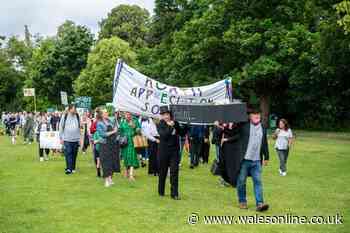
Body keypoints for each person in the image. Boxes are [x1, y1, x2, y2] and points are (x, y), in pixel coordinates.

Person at [236, 109, 269, 212]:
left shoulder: (263, 127)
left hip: (257, 161)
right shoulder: (244, 126)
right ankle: (242, 201)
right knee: (241, 181)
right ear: (250, 116)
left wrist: (266, 157)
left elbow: (264, 142)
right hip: (244, 160)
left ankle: (260, 203)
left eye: (258, 114)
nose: (257, 116)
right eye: (254, 114)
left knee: (258, 181)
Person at [157, 106, 188, 200]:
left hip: (174, 151)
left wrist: (186, 126)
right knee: (163, 172)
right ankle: (161, 191)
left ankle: (174, 194)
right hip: (163, 151)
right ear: (161, 116)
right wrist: (170, 126)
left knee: (174, 172)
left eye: (167, 114)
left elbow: (182, 133)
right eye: (164, 115)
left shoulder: (175, 122)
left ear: (170, 114)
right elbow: (164, 135)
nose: (166, 116)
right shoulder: (160, 124)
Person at [96, 109, 120, 187]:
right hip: (104, 145)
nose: (107, 113)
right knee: (105, 162)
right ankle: (106, 180)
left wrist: (116, 128)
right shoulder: (99, 123)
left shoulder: (110, 121)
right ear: (101, 114)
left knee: (112, 162)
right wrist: (113, 131)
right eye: (105, 112)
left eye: (107, 112)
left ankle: (110, 179)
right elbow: (102, 134)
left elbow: (116, 127)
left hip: (112, 144)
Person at [59, 105, 81, 175]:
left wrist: (80, 138)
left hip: (76, 139)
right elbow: (61, 127)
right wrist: (61, 138)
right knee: (68, 153)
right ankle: (69, 168)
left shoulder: (77, 116)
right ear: (69, 110)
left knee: (74, 154)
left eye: (75, 109)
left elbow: (79, 127)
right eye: (73, 109)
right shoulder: (64, 116)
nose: (75, 111)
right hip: (67, 139)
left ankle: (73, 167)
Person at [119, 112, 140, 181]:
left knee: (132, 157)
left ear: (131, 115)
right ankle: (126, 172)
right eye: (126, 114)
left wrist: (134, 126)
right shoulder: (122, 122)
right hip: (125, 142)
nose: (128, 116)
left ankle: (131, 174)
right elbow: (120, 131)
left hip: (132, 141)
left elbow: (139, 131)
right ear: (124, 115)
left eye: (129, 114)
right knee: (126, 157)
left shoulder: (135, 121)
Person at [219, 122, 241, 187]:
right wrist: (222, 127)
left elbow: (238, 136)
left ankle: (233, 182)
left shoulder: (238, 125)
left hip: (234, 149)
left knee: (232, 165)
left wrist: (227, 139)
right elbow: (224, 133)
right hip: (226, 148)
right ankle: (226, 180)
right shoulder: (227, 124)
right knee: (225, 164)